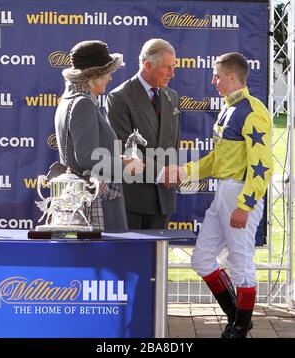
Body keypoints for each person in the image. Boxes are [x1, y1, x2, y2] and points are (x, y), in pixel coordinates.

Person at [172, 52, 273, 338]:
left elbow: (262, 166)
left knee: (241, 261)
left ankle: (239, 328)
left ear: (231, 77)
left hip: (240, 193)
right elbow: (217, 160)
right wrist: (184, 172)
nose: (213, 80)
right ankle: (237, 316)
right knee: (202, 258)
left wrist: (246, 204)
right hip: (224, 192)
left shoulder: (253, 111)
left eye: (217, 75)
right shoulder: (228, 109)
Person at [55, 40, 144, 231]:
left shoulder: (70, 100)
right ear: (94, 76)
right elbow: (87, 158)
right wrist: (126, 165)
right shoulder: (83, 103)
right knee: (103, 258)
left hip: (84, 198)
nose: (110, 78)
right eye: (108, 73)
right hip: (93, 203)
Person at [106, 38, 180, 229]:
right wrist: (161, 173)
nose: (172, 73)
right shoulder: (119, 97)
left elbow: (173, 144)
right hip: (133, 201)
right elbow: (125, 150)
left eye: (173, 67)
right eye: (167, 68)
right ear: (148, 65)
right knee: (129, 258)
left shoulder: (172, 97)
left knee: (157, 259)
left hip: (164, 199)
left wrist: (174, 173)